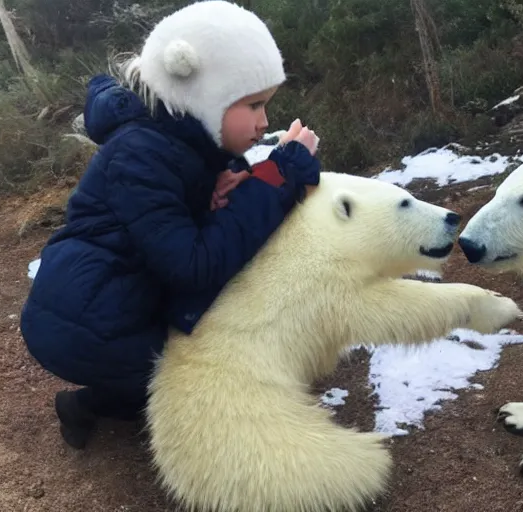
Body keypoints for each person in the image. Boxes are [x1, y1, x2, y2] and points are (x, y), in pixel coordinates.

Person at [19, 0, 320, 450]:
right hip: (82, 324)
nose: (265, 122)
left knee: (200, 372)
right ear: (205, 97)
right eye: (253, 105)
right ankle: (89, 403)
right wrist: (282, 172)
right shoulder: (142, 153)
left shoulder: (183, 143)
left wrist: (216, 194)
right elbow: (193, 266)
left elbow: (176, 231)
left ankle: (99, 400)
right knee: (204, 390)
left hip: (124, 301)